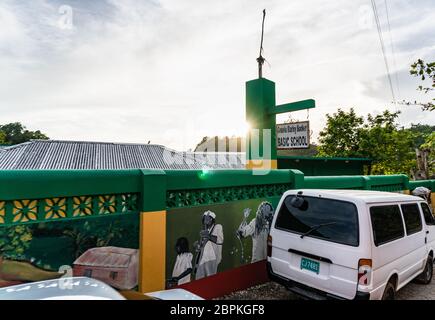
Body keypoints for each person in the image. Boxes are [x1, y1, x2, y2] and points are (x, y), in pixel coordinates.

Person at [194, 210, 224, 280]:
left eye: (207, 218)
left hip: (212, 259)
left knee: (210, 280)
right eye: (204, 218)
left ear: (211, 219)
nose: (205, 220)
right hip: (202, 259)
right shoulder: (205, 230)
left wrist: (208, 235)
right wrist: (197, 246)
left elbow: (220, 240)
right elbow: (202, 247)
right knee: (198, 279)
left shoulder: (218, 227)